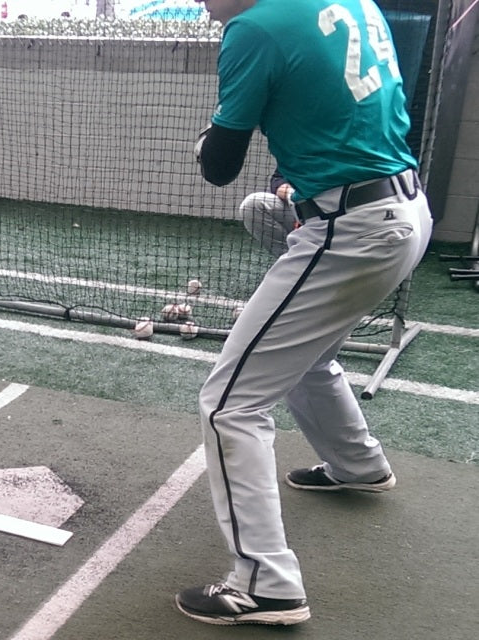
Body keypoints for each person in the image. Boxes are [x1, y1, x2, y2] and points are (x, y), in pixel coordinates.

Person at [178, 0, 432, 627]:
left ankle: (266, 584)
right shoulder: (350, 2)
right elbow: (341, 111)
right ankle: (357, 464)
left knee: (230, 405)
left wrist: (209, 137)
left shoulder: (254, 26)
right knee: (307, 357)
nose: (205, 5)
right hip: (402, 210)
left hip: (353, 231)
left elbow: (219, 166)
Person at [240, 168, 298, 257]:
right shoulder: (298, 159)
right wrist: (292, 195)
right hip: (301, 207)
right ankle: (294, 259)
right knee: (253, 204)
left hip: (320, 213)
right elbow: (278, 179)